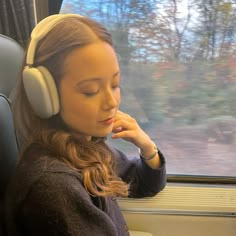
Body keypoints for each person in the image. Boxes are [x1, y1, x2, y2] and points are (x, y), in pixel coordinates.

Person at [5, 14, 166, 236]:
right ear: (45, 95)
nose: (111, 102)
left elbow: (146, 184)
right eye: (90, 90)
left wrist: (146, 145)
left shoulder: (89, 148)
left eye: (115, 84)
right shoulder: (54, 186)